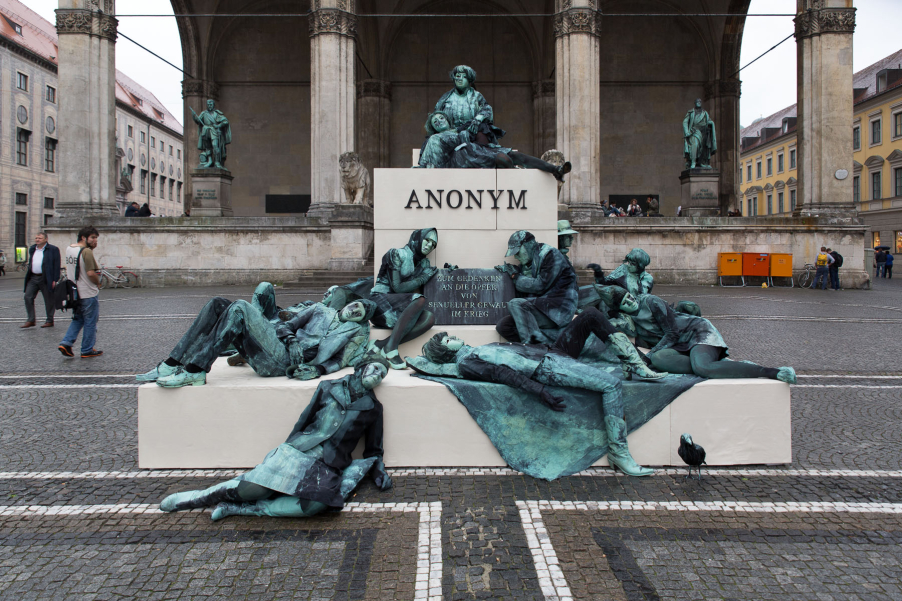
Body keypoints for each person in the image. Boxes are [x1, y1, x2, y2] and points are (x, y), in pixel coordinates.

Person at [419, 310, 663, 476]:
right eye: (448, 340)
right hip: (548, 368)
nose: (453, 337)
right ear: (446, 353)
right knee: (611, 385)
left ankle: (634, 362)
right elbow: (503, 374)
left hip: (551, 353)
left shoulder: (474, 351)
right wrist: (540, 390)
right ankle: (619, 453)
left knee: (590, 315)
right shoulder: (467, 362)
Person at [158, 355, 393, 521]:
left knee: (315, 506)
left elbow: (374, 450)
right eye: (374, 369)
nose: (377, 376)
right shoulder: (327, 386)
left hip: (329, 464)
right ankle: (194, 498)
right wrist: (285, 453)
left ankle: (243, 510)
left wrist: (379, 471)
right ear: (361, 367)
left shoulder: (373, 408)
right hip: (300, 450)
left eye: (381, 374)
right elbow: (304, 420)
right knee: (253, 489)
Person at [137, 283, 376, 387]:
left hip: (285, 362)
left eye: (359, 312)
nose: (353, 309)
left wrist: (318, 369)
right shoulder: (320, 309)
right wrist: (291, 339)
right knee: (218, 303)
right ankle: (171, 363)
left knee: (240, 307)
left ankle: (195, 370)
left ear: (361, 319)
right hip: (278, 344)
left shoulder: (354, 333)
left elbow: (339, 360)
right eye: (355, 305)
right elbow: (287, 325)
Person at [599, 286, 797, 384]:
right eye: (626, 302)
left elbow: (671, 333)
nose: (631, 301)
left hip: (696, 332)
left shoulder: (651, 301)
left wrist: (647, 358)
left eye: (630, 296)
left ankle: (771, 372)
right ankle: (729, 367)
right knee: (659, 359)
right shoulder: (632, 322)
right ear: (620, 309)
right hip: (679, 345)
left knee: (702, 368)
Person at [418, 112, 571, 180]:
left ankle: (555, 169)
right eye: (435, 122)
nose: (439, 121)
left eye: (440, 117)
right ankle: (516, 176)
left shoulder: (461, 129)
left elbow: (486, 112)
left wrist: (478, 120)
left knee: (515, 155)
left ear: (447, 118)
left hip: (478, 150)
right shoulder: (435, 138)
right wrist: (425, 168)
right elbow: (431, 159)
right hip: (464, 158)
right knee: (503, 158)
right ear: (434, 128)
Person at [368, 228, 441, 369]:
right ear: (417, 238)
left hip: (400, 310)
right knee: (420, 300)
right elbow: (397, 287)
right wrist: (423, 278)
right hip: (380, 304)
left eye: (433, 244)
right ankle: (391, 350)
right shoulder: (395, 254)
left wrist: (449, 272)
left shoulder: (423, 264)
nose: (429, 246)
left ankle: (382, 345)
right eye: (427, 240)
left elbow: (432, 279)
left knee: (429, 318)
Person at [495, 230, 579, 345]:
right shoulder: (527, 265)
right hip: (543, 308)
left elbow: (540, 285)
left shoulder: (551, 255)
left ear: (528, 245)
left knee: (515, 304)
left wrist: (515, 276)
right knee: (504, 326)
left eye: (518, 252)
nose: (516, 256)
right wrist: (510, 275)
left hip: (557, 309)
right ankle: (543, 345)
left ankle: (533, 349)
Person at [433, 65, 505, 147]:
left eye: (464, 77)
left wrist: (478, 119)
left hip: (473, 133)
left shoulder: (477, 96)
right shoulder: (445, 98)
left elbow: (487, 110)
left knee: (483, 136)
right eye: (458, 76)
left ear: (469, 80)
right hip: (451, 135)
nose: (460, 79)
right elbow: (435, 116)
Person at [59, 226, 102, 358]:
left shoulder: (69, 249)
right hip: (87, 292)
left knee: (78, 319)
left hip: (74, 292)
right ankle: (87, 349)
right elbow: (90, 273)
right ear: (83, 238)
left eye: (96, 238)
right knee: (90, 321)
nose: (95, 241)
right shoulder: (86, 252)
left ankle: (66, 343)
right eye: (93, 238)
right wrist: (98, 282)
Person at [22, 232, 61, 329]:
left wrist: (55, 279)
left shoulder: (53, 249)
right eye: (36, 238)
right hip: (33, 277)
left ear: (45, 239)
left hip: (46, 277)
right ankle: (31, 320)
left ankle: (49, 320)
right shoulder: (32, 249)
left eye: (39, 238)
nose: (37, 240)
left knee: (48, 299)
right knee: (28, 296)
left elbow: (57, 265)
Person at [191, 98, 232, 169]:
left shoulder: (217, 113)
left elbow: (225, 121)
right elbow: (198, 121)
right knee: (207, 147)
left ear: (213, 105)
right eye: (208, 104)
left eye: (211, 104)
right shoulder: (204, 113)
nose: (209, 106)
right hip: (206, 130)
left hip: (214, 131)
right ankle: (209, 160)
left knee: (215, 145)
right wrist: (194, 116)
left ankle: (217, 162)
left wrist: (219, 125)